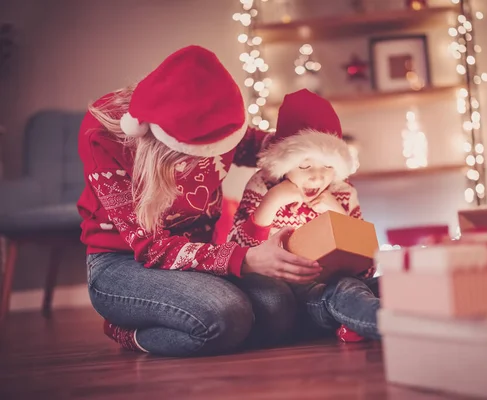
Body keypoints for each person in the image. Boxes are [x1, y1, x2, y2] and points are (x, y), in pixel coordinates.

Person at [77, 46, 322, 357]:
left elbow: (258, 146)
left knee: (278, 308)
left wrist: (315, 154)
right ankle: (127, 331)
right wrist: (246, 258)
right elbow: (149, 248)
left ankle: (215, 323)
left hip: (197, 259)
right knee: (223, 316)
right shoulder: (106, 135)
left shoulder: (217, 119)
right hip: (123, 263)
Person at [228, 89, 380, 342]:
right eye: (305, 166)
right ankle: (387, 324)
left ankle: (355, 321)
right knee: (345, 291)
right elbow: (237, 252)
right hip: (295, 293)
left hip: (338, 283)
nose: (318, 177)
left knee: (378, 285)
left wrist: (337, 214)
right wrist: (271, 202)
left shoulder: (342, 192)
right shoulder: (263, 187)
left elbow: (367, 268)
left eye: (328, 167)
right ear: (285, 163)